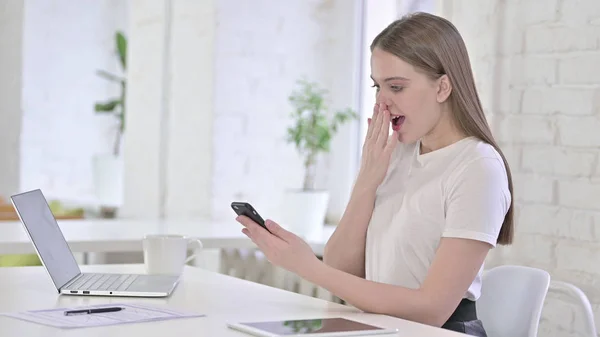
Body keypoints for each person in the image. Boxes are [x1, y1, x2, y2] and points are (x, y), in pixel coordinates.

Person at [235, 11, 513, 337]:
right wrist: (368, 178)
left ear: (443, 87)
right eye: (377, 87)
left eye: (396, 87)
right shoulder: (398, 153)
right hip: (380, 328)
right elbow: (342, 267)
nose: (382, 102)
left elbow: (431, 310)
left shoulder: (478, 167)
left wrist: (307, 267)